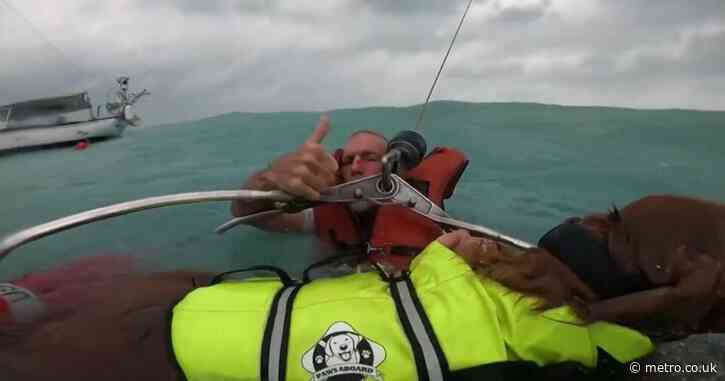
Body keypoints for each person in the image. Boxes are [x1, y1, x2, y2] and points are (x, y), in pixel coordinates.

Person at [0, 231, 653, 381]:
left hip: (194, 307)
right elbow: (652, 362)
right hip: (189, 342)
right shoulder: (580, 349)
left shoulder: (442, 258)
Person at [230, 115, 469, 269]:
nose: (355, 167)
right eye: (348, 160)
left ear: (395, 166)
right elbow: (245, 213)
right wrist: (269, 179)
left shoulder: (430, 214)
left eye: (369, 158)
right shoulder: (321, 214)